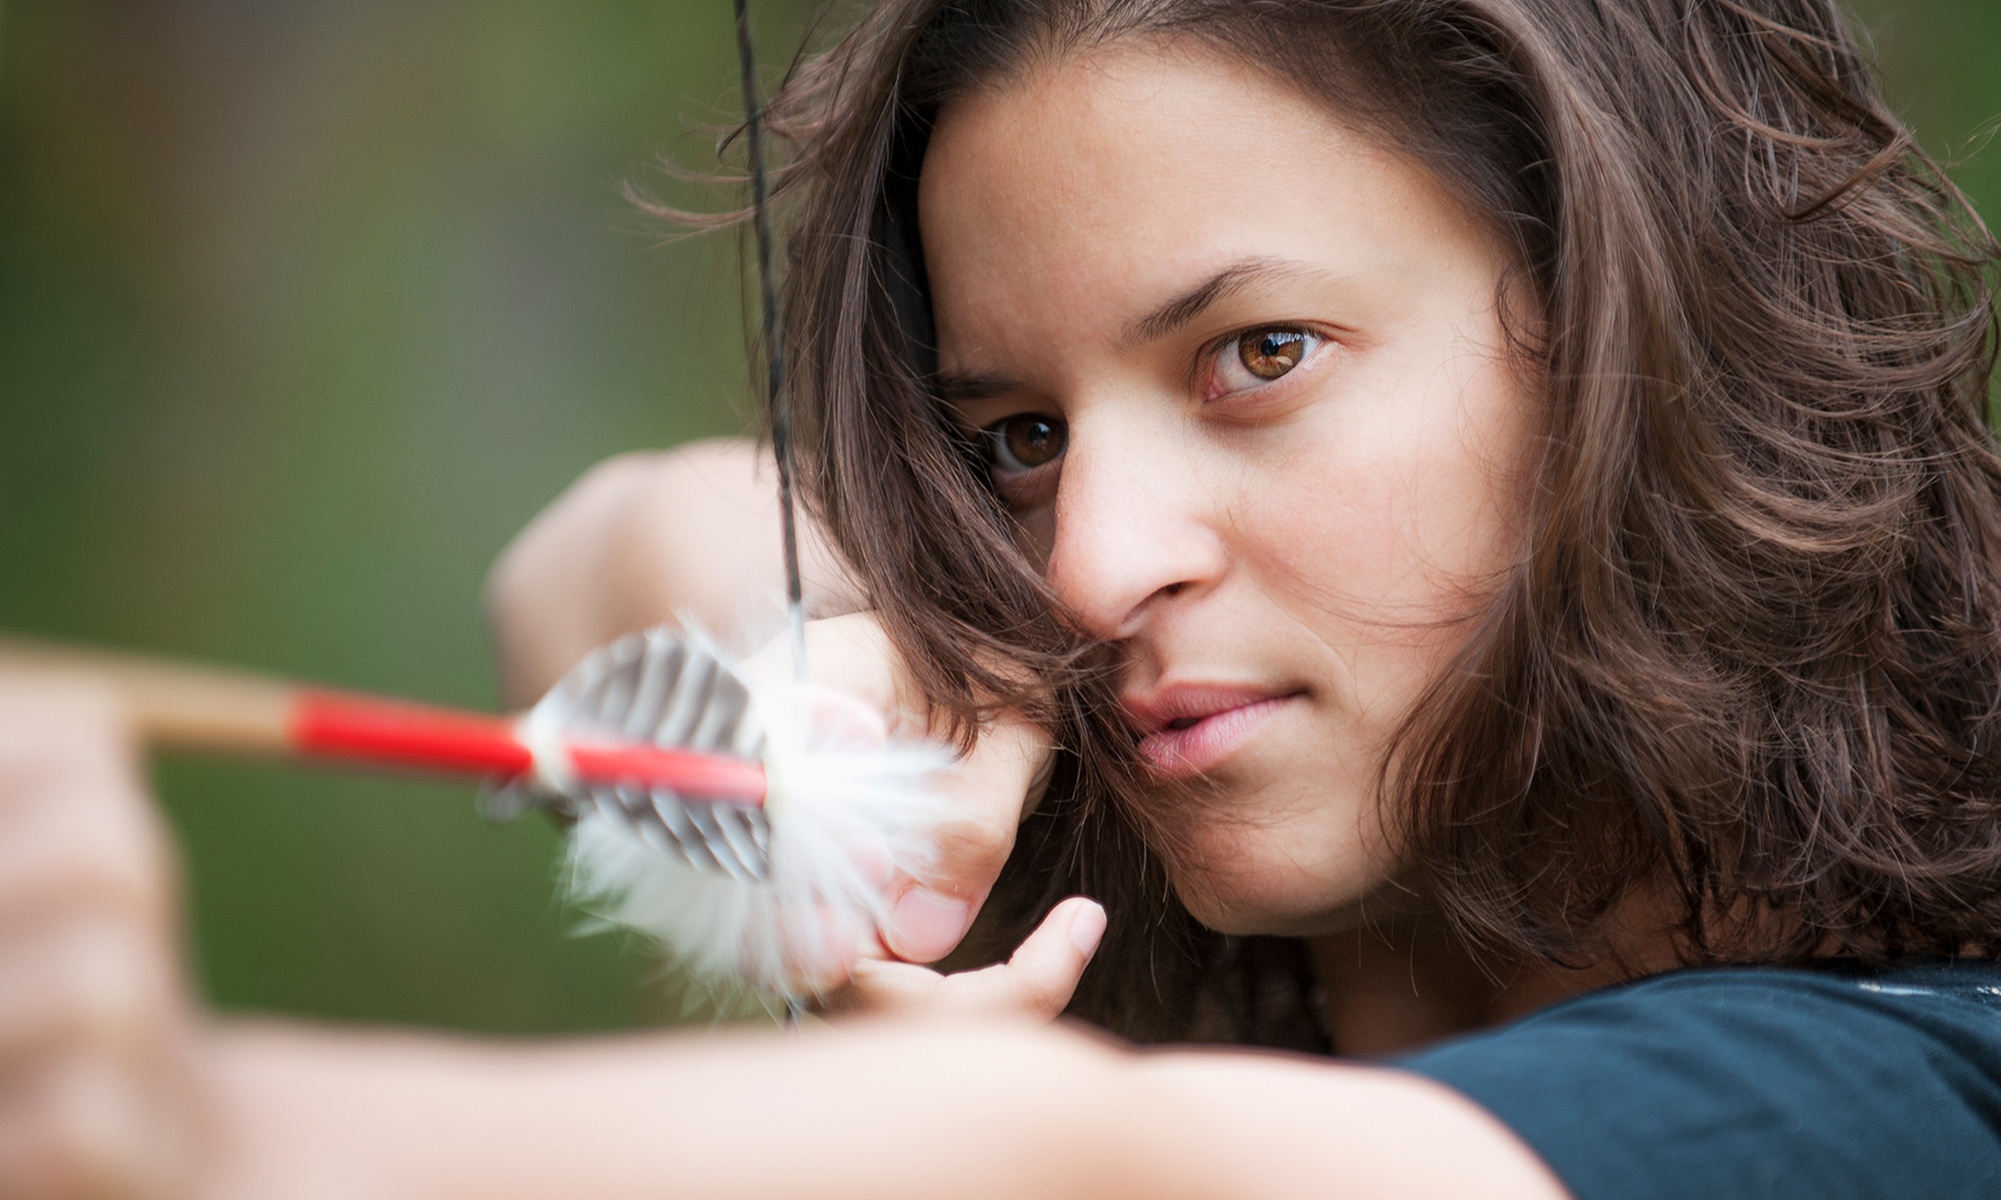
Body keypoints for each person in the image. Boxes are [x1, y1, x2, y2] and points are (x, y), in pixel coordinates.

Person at [4, 0, 2000, 1196]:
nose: (1082, 567)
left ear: (1627, 336)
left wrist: (194, 1131)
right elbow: (593, 550)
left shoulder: (1917, 1088)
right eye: (1015, 436)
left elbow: (1098, 1175)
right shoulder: (1071, 867)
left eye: (1257, 356)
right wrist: (816, 674)